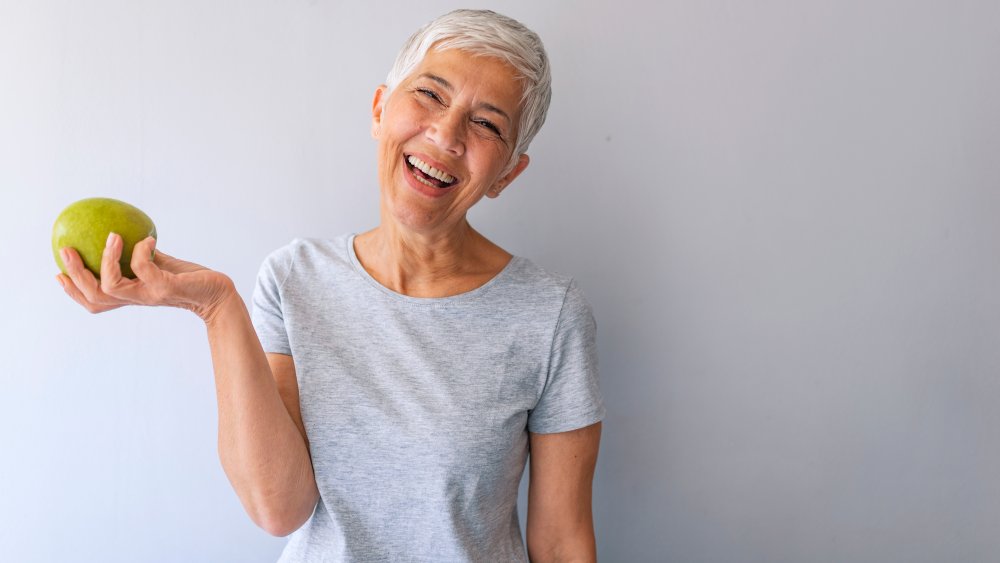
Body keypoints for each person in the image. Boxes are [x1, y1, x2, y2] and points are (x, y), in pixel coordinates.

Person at [55, 9, 604, 562]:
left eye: (487, 124)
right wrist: (216, 306)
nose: (446, 134)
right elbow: (279, 508)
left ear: (507, 173)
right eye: (431, 95)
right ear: (379, 110)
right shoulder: (295, 279)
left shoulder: (549, 313)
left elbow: (561, 543)